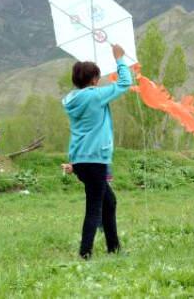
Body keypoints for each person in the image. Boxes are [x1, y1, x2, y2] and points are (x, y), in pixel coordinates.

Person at [62, 44, 131, 259]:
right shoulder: (95, 96)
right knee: (95, 207)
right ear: (93, 79)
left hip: (80, 160)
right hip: (95, 160)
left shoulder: (72, 100)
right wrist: (119, 59)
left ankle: (114, 248)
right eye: (98, 78)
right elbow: (125, 83)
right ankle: (85, 253)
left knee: (109, 202)